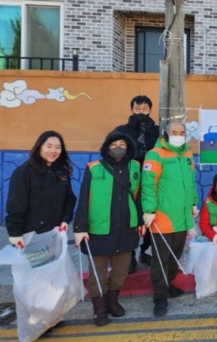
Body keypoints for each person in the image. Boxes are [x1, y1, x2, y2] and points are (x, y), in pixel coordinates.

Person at [73, 131, 142, 327]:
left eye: (122, 144)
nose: (118, 148)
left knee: (121, 271)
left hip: (126, 229)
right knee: (98, 273)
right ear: (106, 147)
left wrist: (140, 221)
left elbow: (138, 195)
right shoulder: (94, 168)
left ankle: (112, 301)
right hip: (99, 230)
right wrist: (80, 227)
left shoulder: (135, 167)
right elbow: (84, 198)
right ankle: (99, 308)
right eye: (114, 144)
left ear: (128, 148)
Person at [141, 122, 199, 317]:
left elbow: (191, 182)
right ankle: (160, 298)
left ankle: (168, 284)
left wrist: (193, 202)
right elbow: (148, 184)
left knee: (175, 256)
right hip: (162, 217)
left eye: (182, 132)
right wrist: (149, 210)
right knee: (160, 260)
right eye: (174, 132)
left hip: (182, 216)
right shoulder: (155, 154)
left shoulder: (187, 154)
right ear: (166, 133)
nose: (178, 135)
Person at [6, 131, 76, 248]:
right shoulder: (24, 172)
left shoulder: (61, 172)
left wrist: (65, 220)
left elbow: (69, 199)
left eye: (57, 147)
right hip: (30, 236)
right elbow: (16, 205)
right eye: (49, 146)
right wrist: (15, 233)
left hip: (54, 234)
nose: (53, 151)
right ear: (39, 147)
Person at [114, 95, 160, 272]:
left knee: (151, 215)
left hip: (152, 180)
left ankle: (147, 252)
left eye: (145, 108)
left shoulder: (158, 132)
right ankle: (129, 256)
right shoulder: (121, 131)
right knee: (128, 218)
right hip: (128, 181)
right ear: (131, 109)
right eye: (137, 108)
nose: (141, 111)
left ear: (150, 110)